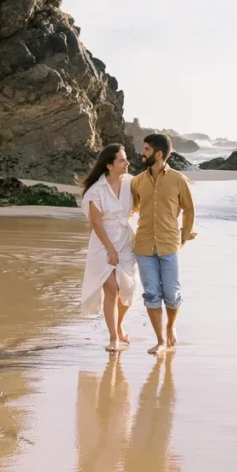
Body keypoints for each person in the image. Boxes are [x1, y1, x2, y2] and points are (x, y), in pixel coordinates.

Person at [131, 134, 196, 356]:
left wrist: (185, 235)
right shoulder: (137, 181)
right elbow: (129, 207)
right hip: (144, 246)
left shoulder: (178, 180)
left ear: (158, 154)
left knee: (171, 293)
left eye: (147, 149)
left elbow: (189, 209)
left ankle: (170, 327)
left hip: (169, 244)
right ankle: (160, 341)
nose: (143, 152)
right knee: (151, 294)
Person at [80, 143, 140, 352]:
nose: (127, 163)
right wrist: (110, 250)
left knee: (128, 290)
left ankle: (119, 324)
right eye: (122, 160)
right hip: (102, 243)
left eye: (126, 159)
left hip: (126, 241)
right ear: (109, 165)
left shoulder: (131, 183)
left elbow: (145, 202)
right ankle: (113, 337)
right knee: (112, 291)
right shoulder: (97, 190)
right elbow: (96, 222)